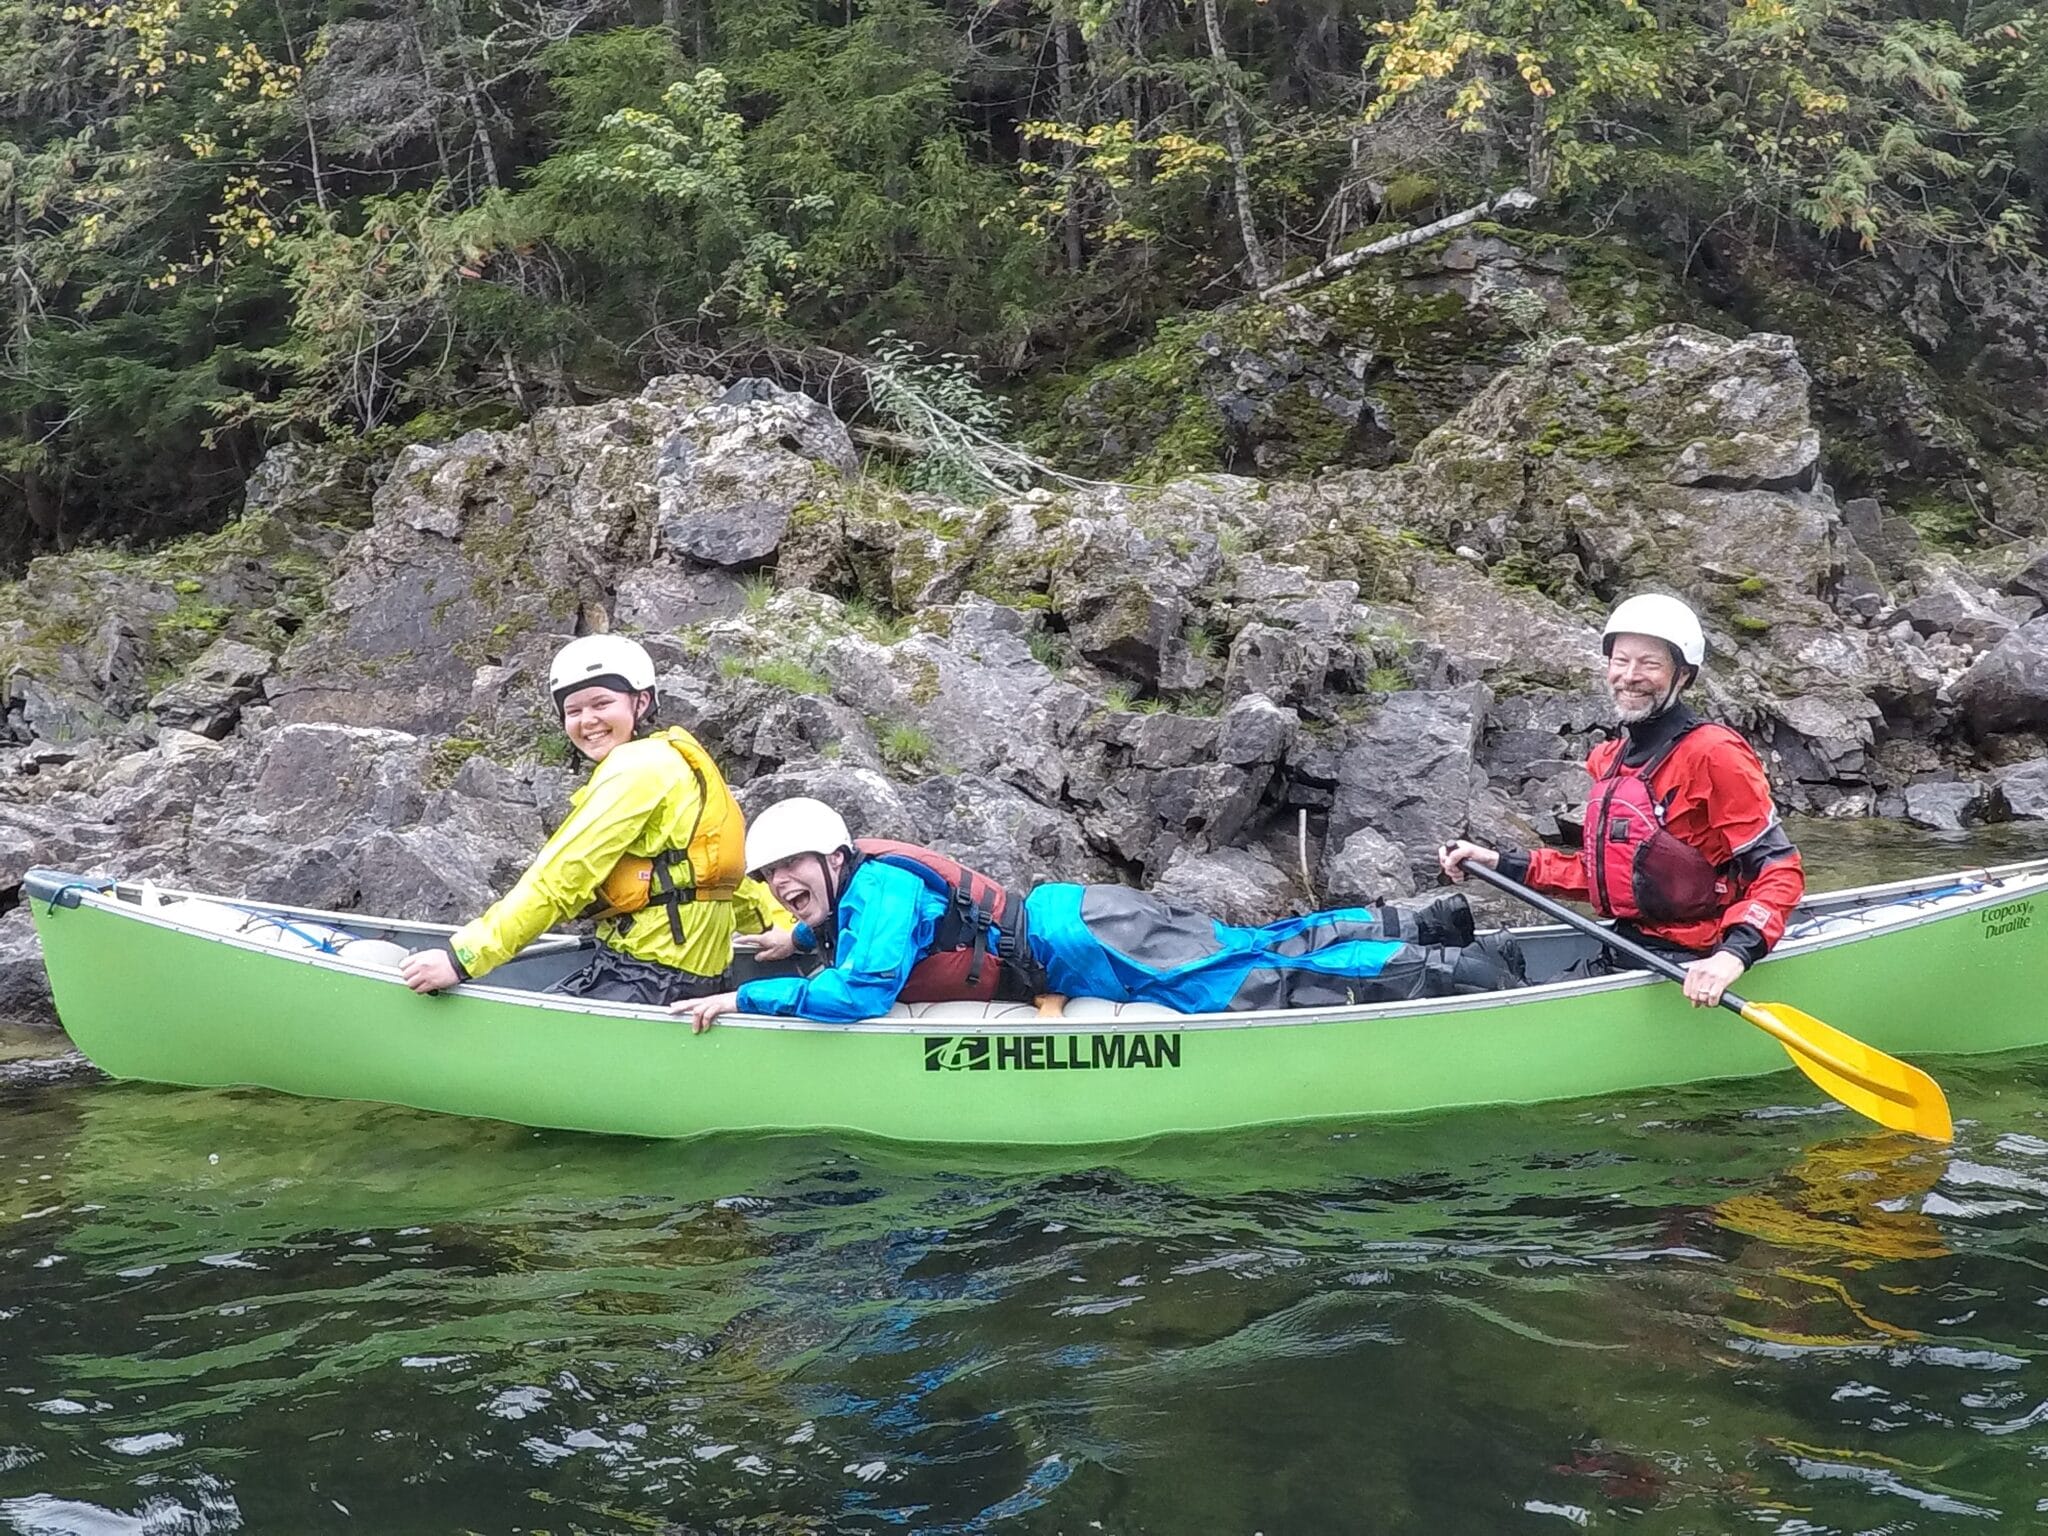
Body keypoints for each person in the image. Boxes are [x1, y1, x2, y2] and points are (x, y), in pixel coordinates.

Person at [674, 798, 1524, 1031]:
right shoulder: (862, 888)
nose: (781, 883)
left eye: (791, 869)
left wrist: (747, 998)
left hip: (1082, 944)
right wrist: (796, 938)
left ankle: (1447, 972)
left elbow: (861, 992)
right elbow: (853, 936)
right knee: (1249, 946)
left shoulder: (881, 888)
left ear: (832, 857)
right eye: (770, 876)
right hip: (1076, 927)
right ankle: (1429, 920)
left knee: (1254, 983)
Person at [1439, 592, 1805, 1009]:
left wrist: (1733, 955)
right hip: (1627, 945)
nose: (1630, 675)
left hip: (1692, 959)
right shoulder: (1611, 759)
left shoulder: (1714, 754)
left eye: (1649, 663)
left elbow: (1779, 869)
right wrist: (1499, 862)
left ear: (1682, 675)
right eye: (1620, 661)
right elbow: (1606, 875)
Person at [399, 634, 791, 1005]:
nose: (587, 720)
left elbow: (561, 878)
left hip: (646, 978)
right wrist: (771, 924)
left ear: (640, 703)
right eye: (573, 710)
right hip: (693, 976)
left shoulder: (637, 769)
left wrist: (461, 958)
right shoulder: (672, 758)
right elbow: (707, 871)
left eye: (601, 704)